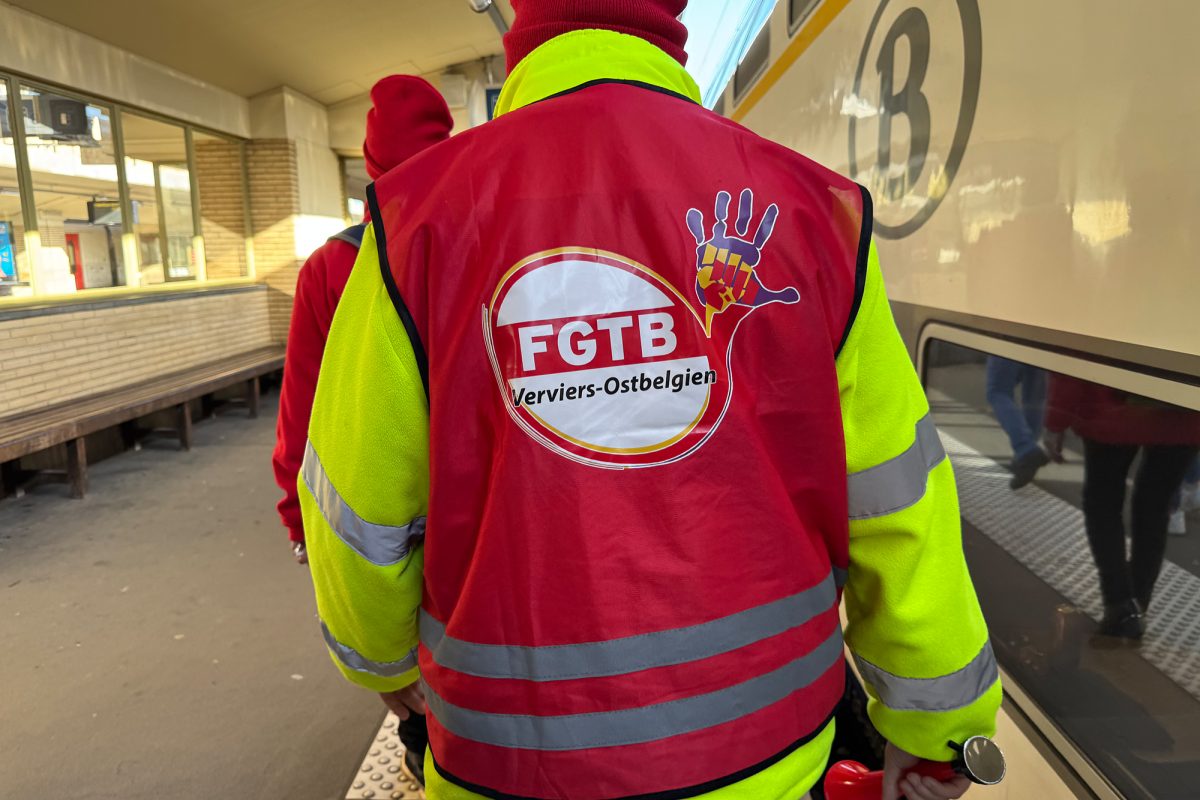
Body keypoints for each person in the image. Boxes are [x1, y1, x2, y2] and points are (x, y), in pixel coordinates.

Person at [299, 3, 1001, 799]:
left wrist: (378, 658)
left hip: (510, 768)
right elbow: (901, 505)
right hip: (768, 757)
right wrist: (942, 728)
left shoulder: (415, 219)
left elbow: (355, 505)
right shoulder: (809, 211)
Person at [271, 74, 453, 787]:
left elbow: (304, 416)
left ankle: (418, 737)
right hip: (474, 524)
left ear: (369, 173)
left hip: (379, 521)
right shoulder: (475, 239)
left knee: (407, 678)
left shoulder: (335, 266)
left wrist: (299, 523)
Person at [1044, 375, 1200, 640]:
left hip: (1111, 408)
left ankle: (1120, 604)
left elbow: (1075, 352)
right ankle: (1138, 602)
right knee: (1154, 509)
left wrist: (1056, 418)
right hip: (1182, 412)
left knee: (1103, 504)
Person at [984, 355, 1048, 489]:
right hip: (1043, 338)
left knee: (997, 391)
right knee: (1034, 395)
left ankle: (1026, 449)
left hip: (1008, 339)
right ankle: (1027, 456)